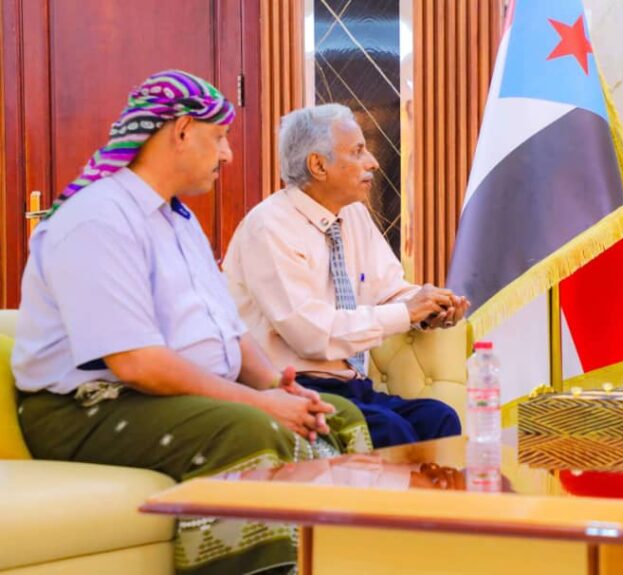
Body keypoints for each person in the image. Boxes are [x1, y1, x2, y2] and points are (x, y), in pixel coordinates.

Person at [13, 70, 372, 575]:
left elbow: (229, 334)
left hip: (161, 399)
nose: (228, 154)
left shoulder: (178, 221)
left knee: (340, 415)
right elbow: (137, 363)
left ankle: (338, 564)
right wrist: (258, 402)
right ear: (181, 131)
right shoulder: (98, 218)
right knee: (250, 430)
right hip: (87, 407)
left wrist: (278, 386)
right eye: (219, 137)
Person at [223, 103, 466, 448]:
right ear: (318, 165)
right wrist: (405, 312)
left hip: (351, 384)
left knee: (439, 418)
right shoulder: (268, 227)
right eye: (358, 151)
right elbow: (310, 334)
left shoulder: (354, 216)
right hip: (293, 389)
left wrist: (429, 309)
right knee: (390, 430)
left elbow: (389, 290)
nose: (373, 162)